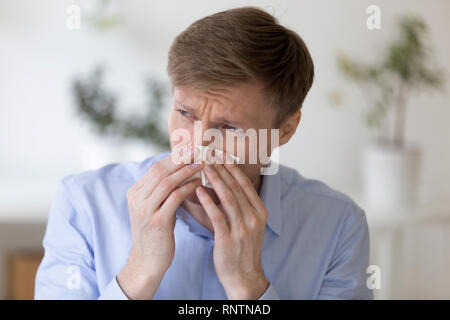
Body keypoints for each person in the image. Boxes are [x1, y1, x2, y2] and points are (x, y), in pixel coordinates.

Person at [35, 7, 372, 300]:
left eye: (229, 128)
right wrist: (139, 272)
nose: (198, 146)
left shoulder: (338, 227)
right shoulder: (84, 204)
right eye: (186, 114)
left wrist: (248, 287)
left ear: (285, 129)